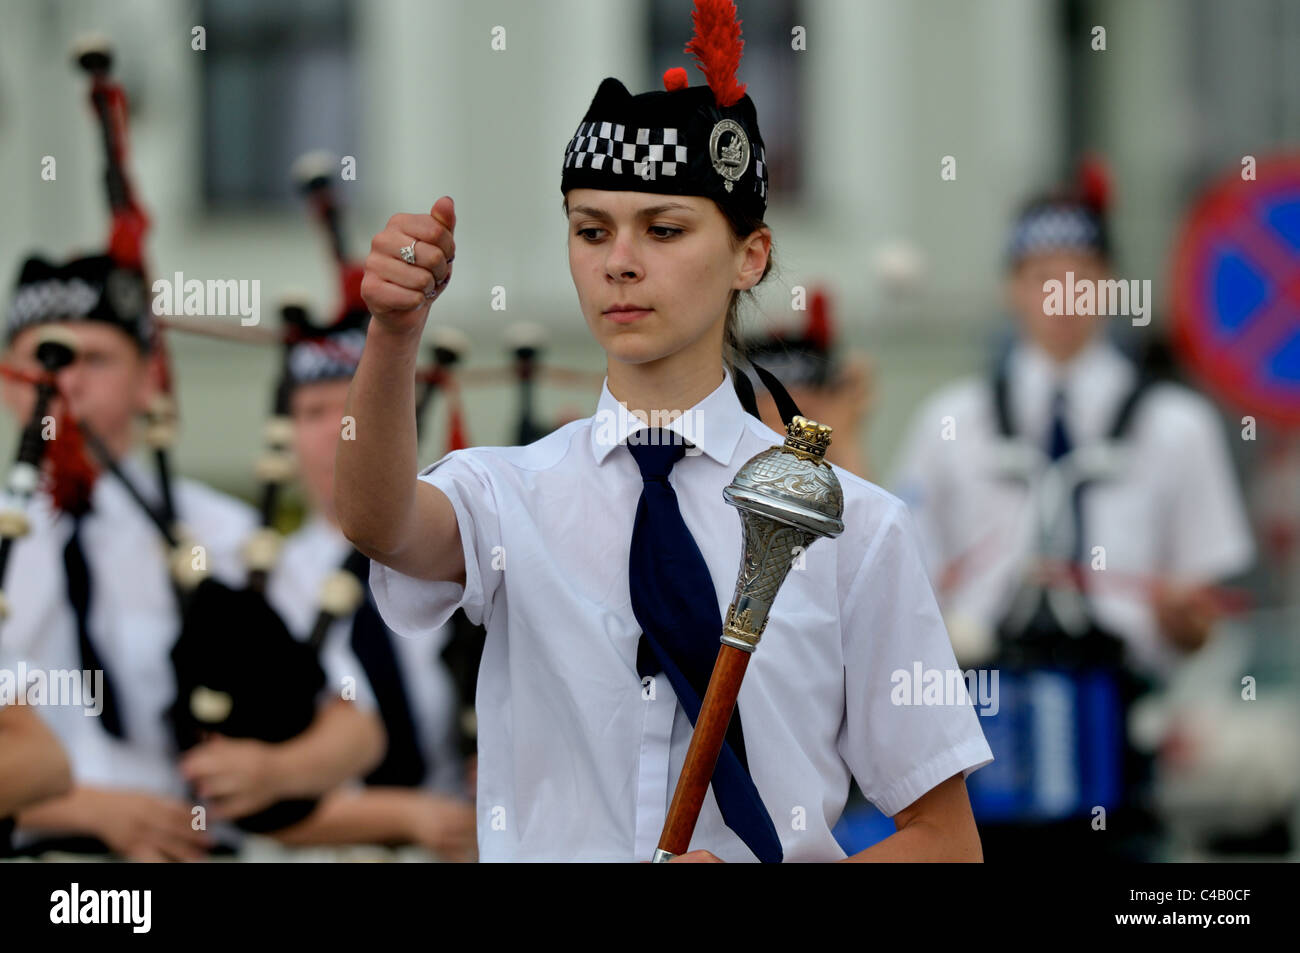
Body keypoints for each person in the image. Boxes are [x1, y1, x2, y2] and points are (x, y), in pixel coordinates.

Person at [335, 0, 991, 862]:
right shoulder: (507, 496)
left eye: (665, 229)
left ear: (749, 255)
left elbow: (946, 842)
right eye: (591, 230)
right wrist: (390, 336)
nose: (620, 261)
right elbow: (377, 522)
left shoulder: (856, 528)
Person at [890, 159, 1256, 860]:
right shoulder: (951, 421)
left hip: (1122, 730)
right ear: (1011, 290)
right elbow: (904, 584)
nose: (1062, 296)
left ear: (1110, 286)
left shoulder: (1178, 425)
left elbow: (1205, 624)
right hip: (983, 723)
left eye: (1080, 275)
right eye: (1040, 276)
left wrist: (1189, 621)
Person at [264, 302, 476, 861]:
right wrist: (409, 817)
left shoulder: (470, 560)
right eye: (313, 411)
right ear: (285, 432)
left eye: (357, 404)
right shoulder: (259, 582)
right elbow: (238, 788)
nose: (342, 428)